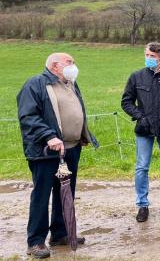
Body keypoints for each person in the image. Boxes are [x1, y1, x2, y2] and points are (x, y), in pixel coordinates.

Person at [17, 52, 99, 259]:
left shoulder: (70, 83)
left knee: (66, 192)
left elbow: (74, 111)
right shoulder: (36, 84)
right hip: (46, 151)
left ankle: (60, 233)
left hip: (71, 149)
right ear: (55, 65)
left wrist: (82, 134)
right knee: (42, 195)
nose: (73, 65)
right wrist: (49, 136)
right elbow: (28, 116)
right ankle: (35, 241)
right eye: (69, 62)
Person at [121, 42, 160, 222]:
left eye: (152, 56)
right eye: (147, 55)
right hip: (144, 129)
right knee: (142, 167)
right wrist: (140, 117)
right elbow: (126, 102)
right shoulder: (136, 77)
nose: (148, 59)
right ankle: (142, 205)